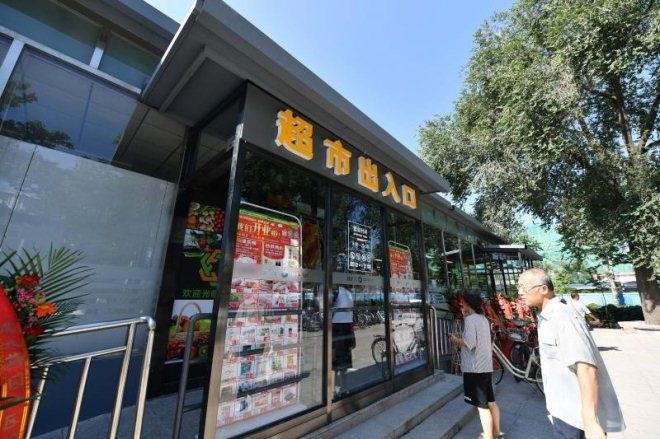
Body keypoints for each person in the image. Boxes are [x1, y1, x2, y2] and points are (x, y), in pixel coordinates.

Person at [518, 268, 624, 439]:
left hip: (576, 418)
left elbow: (586, 368)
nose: (520, 292)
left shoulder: (563, 316)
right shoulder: (548, 316)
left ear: (544, 289)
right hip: (563, 411)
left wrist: (590, 420)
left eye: (523, 287)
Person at [450, 292, 502, 439]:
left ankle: (488, 436)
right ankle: (497, 433)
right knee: (491, 402)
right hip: (485, 365)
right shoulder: (482, 318)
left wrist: (455, 340)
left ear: (468, 304)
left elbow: (470, 343)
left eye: (463, 303)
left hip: (475, 368)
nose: (461, 305)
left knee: (482, 407)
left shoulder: (470, 320)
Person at [332, 286, 355, 395]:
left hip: (342, 326)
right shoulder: (344, 292)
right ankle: (340, 387)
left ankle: (341, 387)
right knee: (340, 359)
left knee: (341, 359)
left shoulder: (342, 291)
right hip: (343, 326)